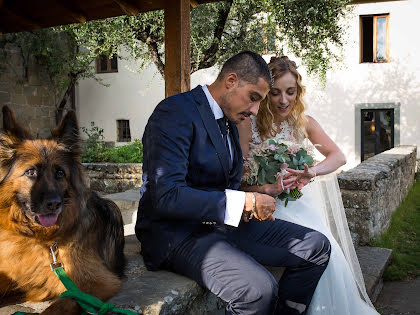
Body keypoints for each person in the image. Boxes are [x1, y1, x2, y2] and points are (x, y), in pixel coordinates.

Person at [136, 51, 331, 314]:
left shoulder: (230, 120)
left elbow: (222, 184)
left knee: (315, 246)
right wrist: (245, 202)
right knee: (257, 290)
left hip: (224, 225)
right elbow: (166, 195)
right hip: (179, 234)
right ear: (230, 80)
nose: (254, 111)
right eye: (253, 98)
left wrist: (261, 191)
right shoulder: (174, 112)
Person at [238, 56, 380, 315]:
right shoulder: (249, 124)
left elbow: (338, 156)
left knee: (328, 252)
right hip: (265, 203)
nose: (284, 100)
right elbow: (240, 176)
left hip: (298, 204)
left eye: (290, 92)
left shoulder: (303, 123)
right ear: (265, 93)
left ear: (298, 92)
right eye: (276, 93)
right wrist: (266, 182)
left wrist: (311, 171)